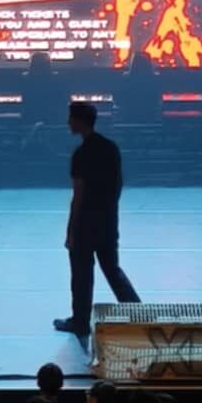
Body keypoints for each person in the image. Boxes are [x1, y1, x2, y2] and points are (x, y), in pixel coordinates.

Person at [54, 102, 138, 336]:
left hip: (85, 226)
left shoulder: (81, 155)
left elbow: (78, 196)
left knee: (81, 275)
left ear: (80, 121)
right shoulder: (111, 148)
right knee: (112, 269)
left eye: (71, 118)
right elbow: (118, 185)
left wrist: (71, 232)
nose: (68, 122)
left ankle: (80, 321)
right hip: (108, 221)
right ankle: (138, 312)